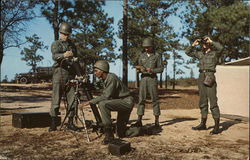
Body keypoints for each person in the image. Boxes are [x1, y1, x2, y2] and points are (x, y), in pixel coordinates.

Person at [81, 60, 134, 144]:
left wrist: (90, 102)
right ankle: (141, 130)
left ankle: (109, 134)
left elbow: (106, 96)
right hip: (120, 101)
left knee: (103, 104)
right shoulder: (104, 79)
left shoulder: (111, 78)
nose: (94, 73)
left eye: (96, 71)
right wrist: (86, 84)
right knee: (121, 133)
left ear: (102, 70)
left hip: (126, 102)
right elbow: (95, 86)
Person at [49, 22, 84, 132]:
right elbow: (54, 56)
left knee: (72, 99)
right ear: (60, 33)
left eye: (68, 34)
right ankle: (53, 123)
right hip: (59, 73)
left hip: (71, 75)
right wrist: (64, 55)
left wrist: (80, 74)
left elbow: (76, 60)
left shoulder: (72, 45)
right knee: (56, 99)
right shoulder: (56, 44)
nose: (66, 36)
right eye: (64, 34)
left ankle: (70, 122)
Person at [186, 36, 223, 134]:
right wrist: (193, 45)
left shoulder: (215, 53)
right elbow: (188, 52)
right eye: (203, 43)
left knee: (213, 101)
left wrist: (211, 41)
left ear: (209, 44)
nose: (204, 44)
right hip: (201, 76)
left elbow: (221, 48)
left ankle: (216, 126)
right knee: (202, 101)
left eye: (205, 43)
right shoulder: (200, 54)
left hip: (210, 76)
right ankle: (203, 123)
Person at [133, 37, 164, 128]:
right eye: (145, 47)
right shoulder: (142, 56)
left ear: (152, 46)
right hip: (143, 79)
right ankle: (139, 120)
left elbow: (161, 69)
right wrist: (139, 69)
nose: (146, 49)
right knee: (141, 100)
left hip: (152, 79)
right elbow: (138, 66)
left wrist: (152, 70)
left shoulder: (157, 56)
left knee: (155, 100)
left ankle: (157, 122)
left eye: (148, 47)